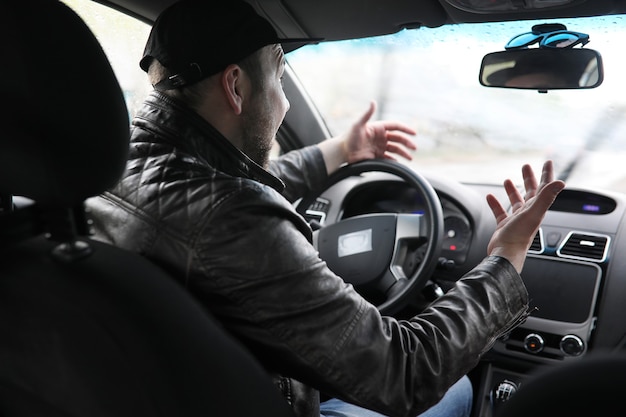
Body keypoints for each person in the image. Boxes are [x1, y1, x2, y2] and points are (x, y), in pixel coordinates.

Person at [86, 1, 566, 416]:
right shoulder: (232, 219)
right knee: (456, 391)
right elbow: (406, 373)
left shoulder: (112, 169)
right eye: (278, 76)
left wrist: (338, 150)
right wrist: (507, 256)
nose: (288, 105)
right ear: (235, 87)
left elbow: (218, 191)